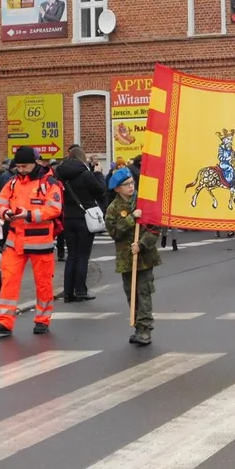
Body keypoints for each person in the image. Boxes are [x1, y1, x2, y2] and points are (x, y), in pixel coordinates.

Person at [0, 146, 64, 336]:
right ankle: (5, 322)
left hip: (40, 242)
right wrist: (5, 213)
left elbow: (54, 209)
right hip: (15, 241)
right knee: (9, 281)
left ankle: (42, 320)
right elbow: (1, 202)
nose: (20, 169)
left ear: (35, 163)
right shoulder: (13, 183)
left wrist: (28, 215)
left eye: (24, 166)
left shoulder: (49, 183)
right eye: (18, 166)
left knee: (44, 283)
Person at [105, 166, 161, 345]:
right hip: (126, 258)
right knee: (132, 293)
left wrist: (141, 244)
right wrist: (131, 219)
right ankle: (137, 325)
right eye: (126, 184)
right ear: (117, 189)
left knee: (144, 291)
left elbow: (154, 228)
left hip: (144, 256)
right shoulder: (113, 208)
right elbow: (114, 232)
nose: (131, 186)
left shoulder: (143, 203)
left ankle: (145, 329)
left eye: (132, 183)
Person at [57, 147, 107, 303]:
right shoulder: (85, 174)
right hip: (84, 218)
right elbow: (100, 191)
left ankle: (67, 292)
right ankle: (80, 290)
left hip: (67, 217)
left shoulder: (59, 175)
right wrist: (98, 173)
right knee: (82, 255)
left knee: (71, 255)